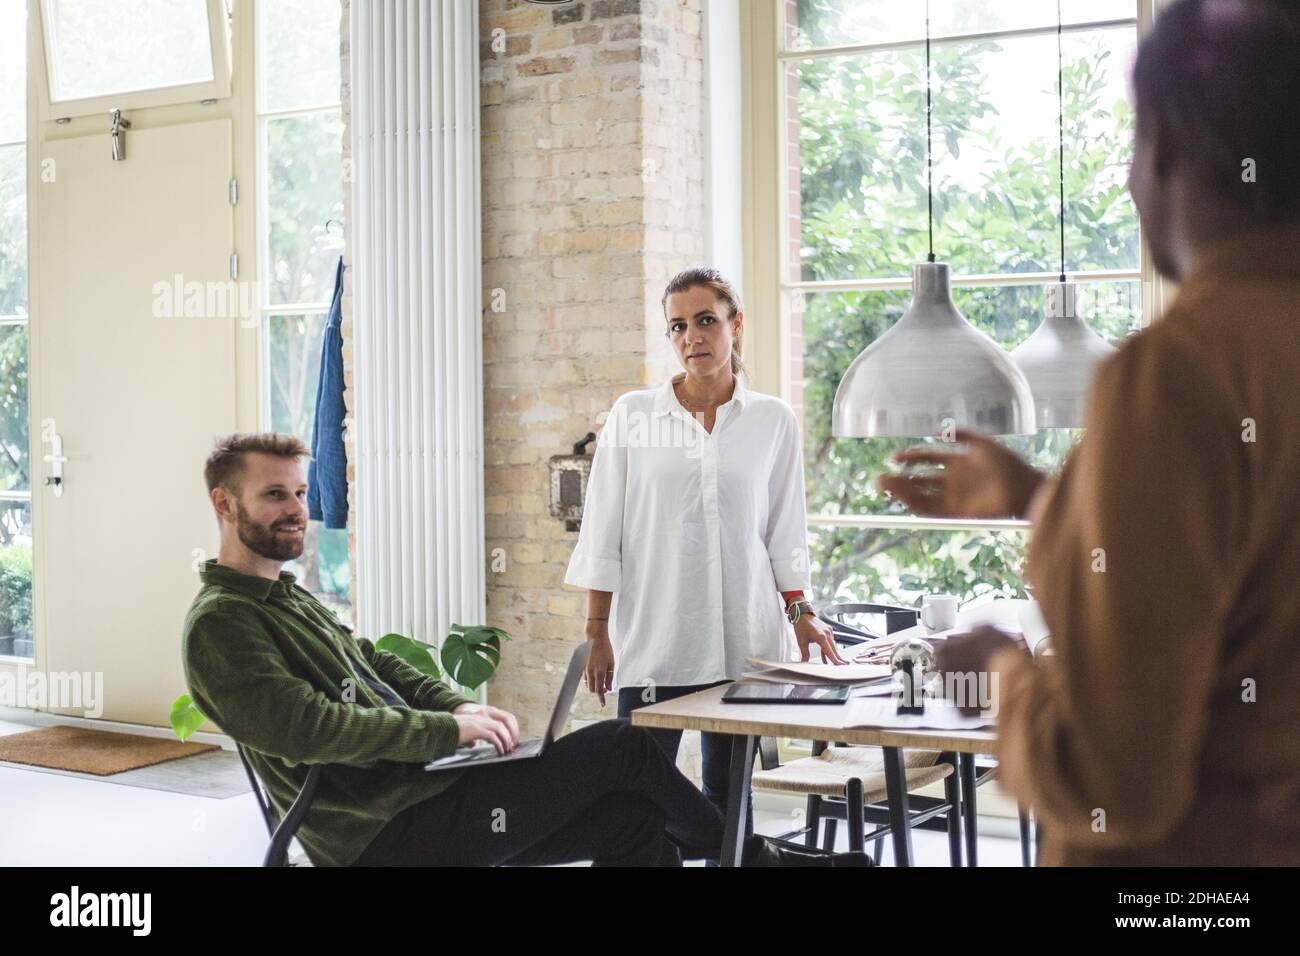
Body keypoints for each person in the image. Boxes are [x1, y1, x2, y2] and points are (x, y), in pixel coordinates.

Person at [879, 0, 1300, 865]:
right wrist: (1047, 496)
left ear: (1170, 149)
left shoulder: (1180, 371)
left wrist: (998, 671)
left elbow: (1113, 780)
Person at [183, 433, 867, 866]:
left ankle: (746, 858)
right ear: (224, 503)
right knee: (626, 746)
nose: (297, 508)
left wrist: (457, 705)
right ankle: (755, 861)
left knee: (631, 820)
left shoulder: (287, 596)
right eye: (275, 494)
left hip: (432, 791)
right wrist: (446, 730)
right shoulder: (222, 624)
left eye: (300, 492)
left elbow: (380, 666)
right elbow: (311, 729)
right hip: (383, 833)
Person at [565, 267, 846, 829]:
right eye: (678, 326)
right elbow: (603, 528)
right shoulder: (633, 417)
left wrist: (802, 613)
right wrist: (598, 631)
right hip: (656, 639)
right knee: (636, 801)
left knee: (727, 800)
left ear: (735, 325)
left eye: (706, 321)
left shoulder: (772, 420)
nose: (692, 336)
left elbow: (783, 532)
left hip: (743, 641)